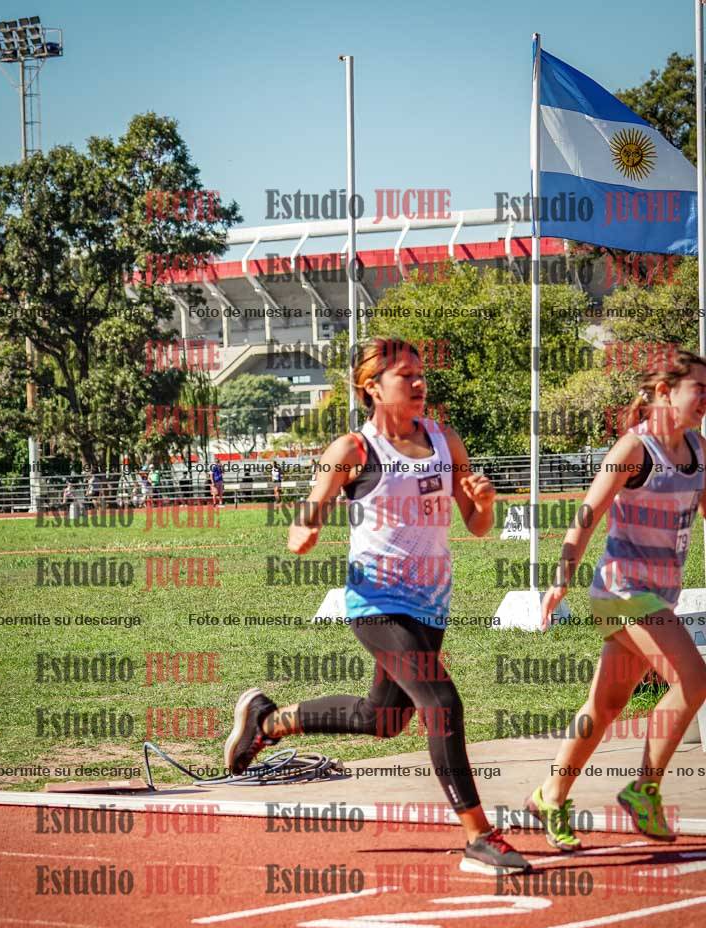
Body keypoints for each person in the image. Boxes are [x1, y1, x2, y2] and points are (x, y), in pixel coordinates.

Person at [225, 337, 531, 875]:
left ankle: (268, 721)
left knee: (383, 719)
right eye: (405, 376)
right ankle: (480, 837)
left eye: (420, 373)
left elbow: (478, 526)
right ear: (372, 387)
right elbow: (309, 513)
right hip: (375, 602)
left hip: (431, 604)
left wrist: (485, 503)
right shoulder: (353, 450)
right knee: (442, 703)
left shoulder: (445, 440)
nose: (419, 383)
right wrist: (304, 531)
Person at [527, 349, 706, 851]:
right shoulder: (635, 448)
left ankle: (549, 795)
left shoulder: (699, 450)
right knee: (693, 679)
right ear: (665, 392)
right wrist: (561, 579)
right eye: (699, 389)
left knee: (605, 705)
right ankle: (644, 788)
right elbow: (587, 514)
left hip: (657, 598)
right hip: (622, 592)